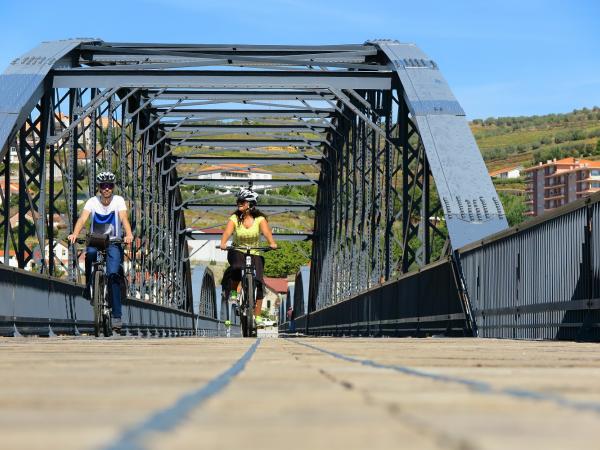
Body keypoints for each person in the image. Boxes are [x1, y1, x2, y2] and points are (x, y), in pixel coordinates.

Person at [67, 171, 134, 331]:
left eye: (109, 186)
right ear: (99, 188)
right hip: (96, 239)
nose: (106, 189)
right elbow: (83, 219)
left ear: (113, 187)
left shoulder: (118, 201)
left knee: (113, 275)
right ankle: (90, 283)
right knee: (89, 254)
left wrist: (129, 234)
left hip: (113, 241)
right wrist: (75, 233)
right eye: (103, 186)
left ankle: (117, 316)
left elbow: (124, 218)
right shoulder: (92, 201)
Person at [220, 188, 277, 316]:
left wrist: (272, 242)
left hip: (255, 252)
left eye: (242, 201)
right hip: (237, 250)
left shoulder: (260, 219)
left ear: (250, 204)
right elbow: (228, 232)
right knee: (236, 267)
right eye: (238, 200)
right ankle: (234, 293)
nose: (239, 203)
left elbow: (266, 232)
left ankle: (256, 317)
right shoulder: (234, 218)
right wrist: (223, 243)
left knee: (260, 282)